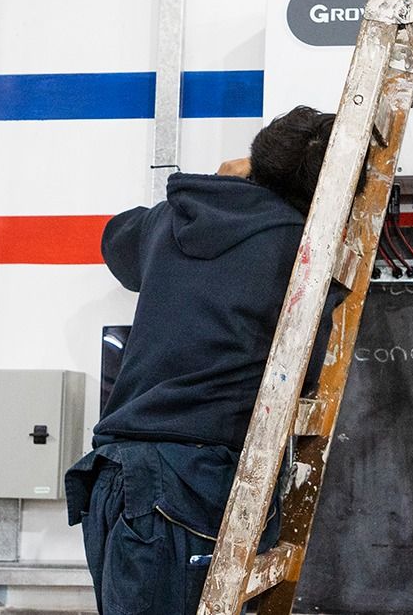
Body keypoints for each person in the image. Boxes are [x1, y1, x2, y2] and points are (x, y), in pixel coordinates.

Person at [65, 106, 345, 615]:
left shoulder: (176, 218)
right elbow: (299, 378)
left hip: (117, 477)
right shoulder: (302, 250)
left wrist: (225, 189)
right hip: (188, 483)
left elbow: (115, 238)